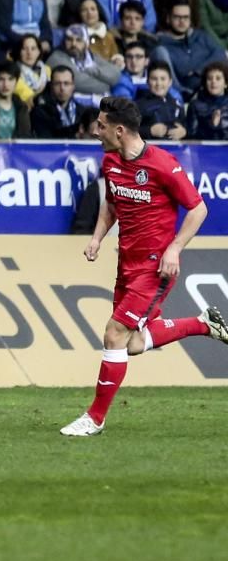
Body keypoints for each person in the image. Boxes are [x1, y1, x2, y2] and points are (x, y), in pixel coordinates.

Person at [60, 96, 228, 437]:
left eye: (101, 126)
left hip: (155, 270)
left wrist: (174, 250)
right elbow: (111, 205)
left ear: (119, 130)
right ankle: (202, 324)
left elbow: (198, 210)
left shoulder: (163, 165)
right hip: (127, 264)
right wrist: (96, 238)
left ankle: (94, 418)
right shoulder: (110, 161)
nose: (95, 131)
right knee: (132, 344)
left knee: (114, 334)